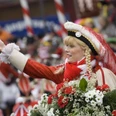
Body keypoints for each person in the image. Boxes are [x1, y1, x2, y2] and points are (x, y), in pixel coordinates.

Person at [0, 21, 116, 92]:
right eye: (66, 46)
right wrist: (7, 51)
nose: (66, 50)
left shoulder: (102, 74)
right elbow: (37, 69)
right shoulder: (62, 70)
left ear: (85, 49)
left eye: (71, 46)